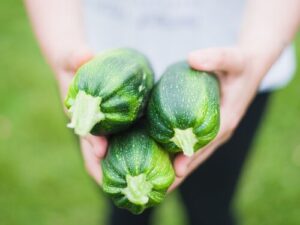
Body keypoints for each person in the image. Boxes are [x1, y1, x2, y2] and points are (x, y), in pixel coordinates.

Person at [24, 0, 300, 224]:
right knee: (125, 209)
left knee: (212, 203)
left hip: (235, 61)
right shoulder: (91, 91)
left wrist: (256, 56)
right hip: (102, 62)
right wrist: (63, 46)